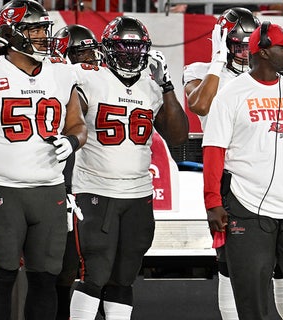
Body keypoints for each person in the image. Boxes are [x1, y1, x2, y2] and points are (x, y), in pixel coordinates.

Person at [0, 0, 88, 319]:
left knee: (45, 279)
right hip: (3, 189)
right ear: (11, 34)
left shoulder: (61, 73)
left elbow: (78, 124)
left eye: (44, 28)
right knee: (1, 275)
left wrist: (71, 141)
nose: (44, 36)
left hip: (49, 190)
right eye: (35, 29)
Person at [202, 21, 283, 319]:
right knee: (252, 299)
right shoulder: (230, 95)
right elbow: (213, 152)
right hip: (247, 206)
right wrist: (212, 202)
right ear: (262, 52)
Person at [69, 16, 189, 319]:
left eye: (137, 47)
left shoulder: (152, 87)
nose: (131, 54)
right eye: (124, 46)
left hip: (138, 194)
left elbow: (178, 135)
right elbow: (70, 120)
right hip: (96, 189)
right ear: (108, 48)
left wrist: (167, 85)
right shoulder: (89, 77)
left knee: (124, 275)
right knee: (93, 272)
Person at [183, 7, 262, 320]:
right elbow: (200, 105)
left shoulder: (267, 73)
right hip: (229, 177)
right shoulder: (202, 71)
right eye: (237, 44)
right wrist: (217, 59)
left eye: (250, 44)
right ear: (222, 41)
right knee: (230, 263)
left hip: (268, 173)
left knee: (276, 263)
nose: (244, 51)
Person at [52, 23, 100, 320]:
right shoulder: (54, 84)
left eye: (92, 55)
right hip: (65, 185)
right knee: (61, 269)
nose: (90, 62)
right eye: (81, 55)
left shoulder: (105, 81)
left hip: (95, 185)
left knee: (95, 266)